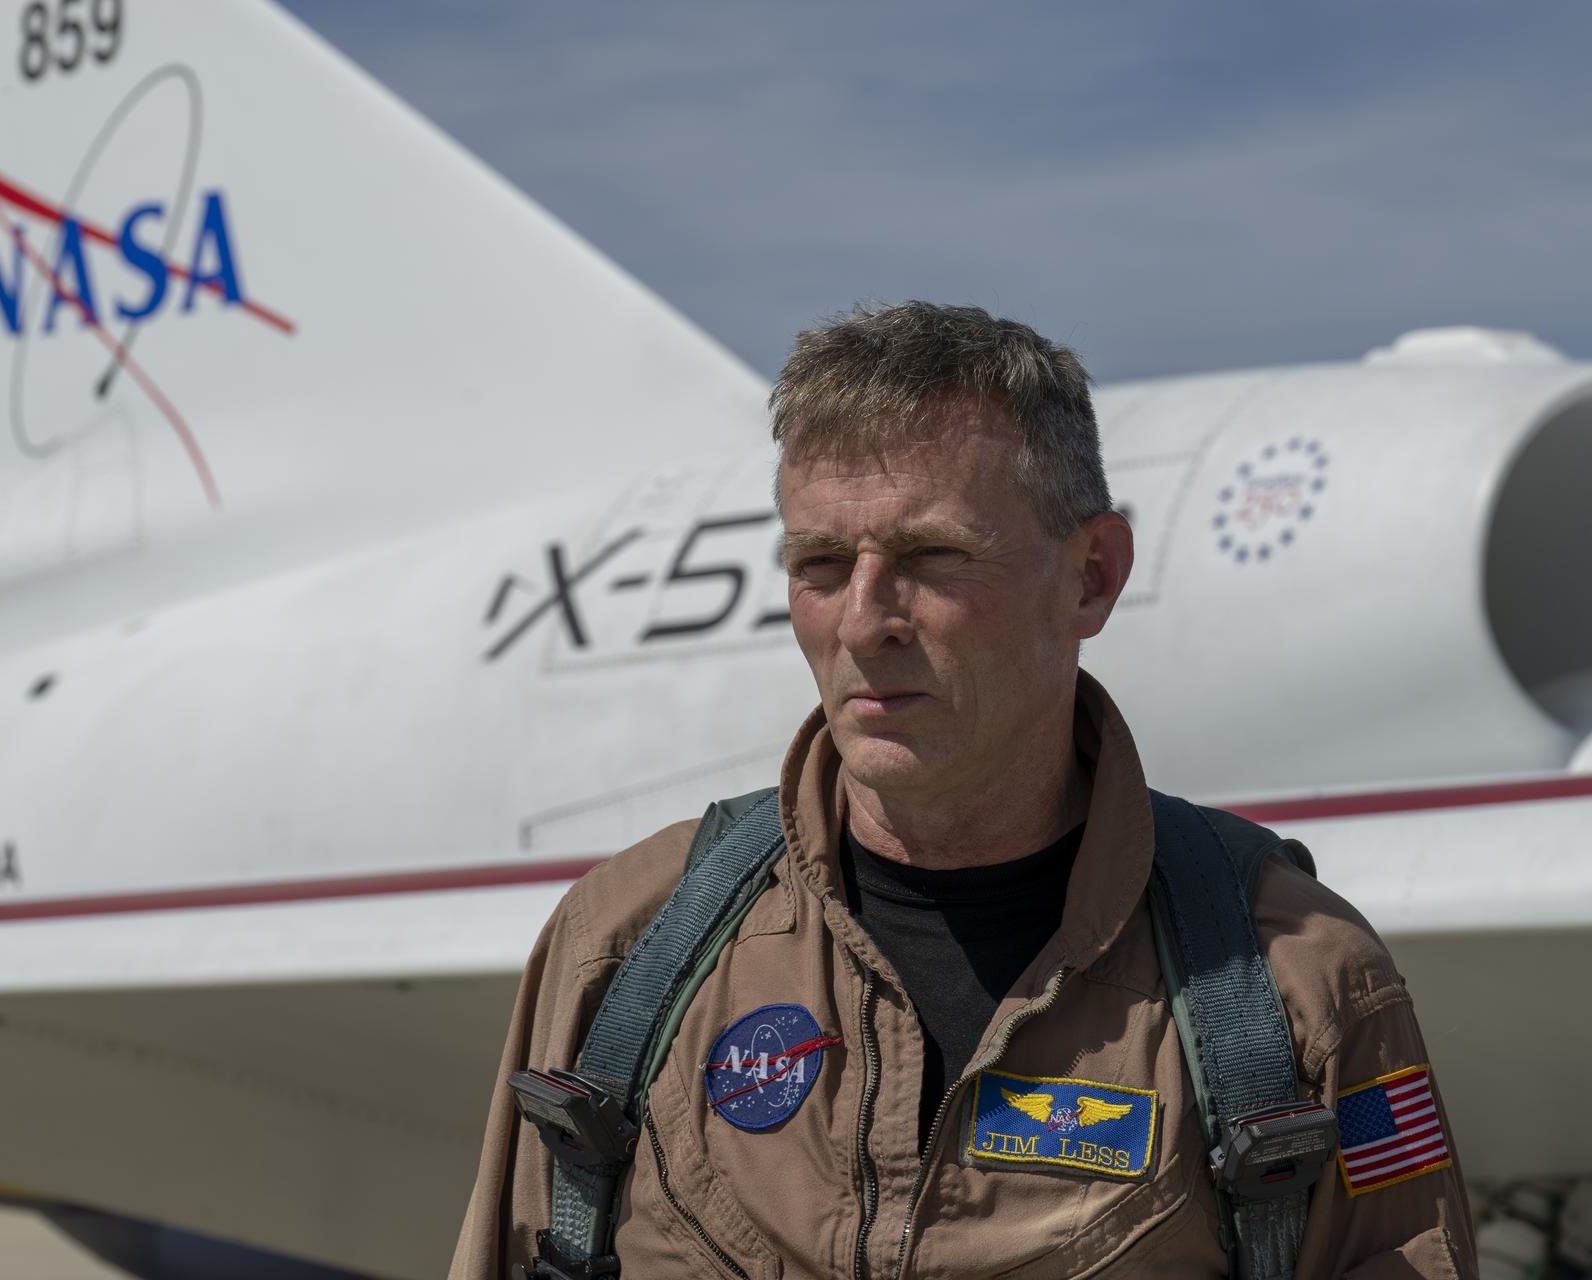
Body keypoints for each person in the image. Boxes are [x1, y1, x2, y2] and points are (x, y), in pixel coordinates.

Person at [450, 302, 1477, 1278]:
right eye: (818, 563)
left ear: (1092, 575)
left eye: (930, 556)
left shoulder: (1294, 989)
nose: (862, 621)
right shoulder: (627, 945)